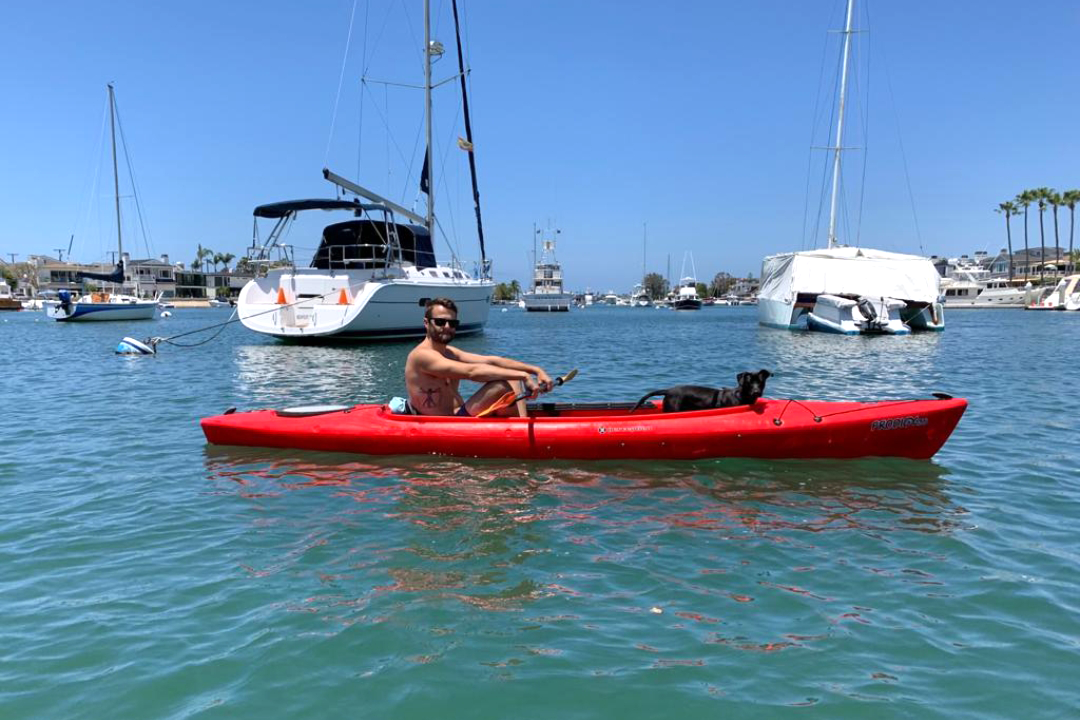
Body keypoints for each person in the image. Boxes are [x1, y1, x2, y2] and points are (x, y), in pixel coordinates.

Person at [404, 297, 552, 417]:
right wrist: (524, 377)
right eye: (440, 322)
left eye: (453, 323)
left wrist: (536, 370)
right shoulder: (421, 356)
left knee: (512, 378)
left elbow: (492, 361)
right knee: (503, 384)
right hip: (445, 423)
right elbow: (472, 372)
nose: (447, 327)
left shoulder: (450, 352)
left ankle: (520, 425)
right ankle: (521, 431)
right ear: (426, 323)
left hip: (459, 415)